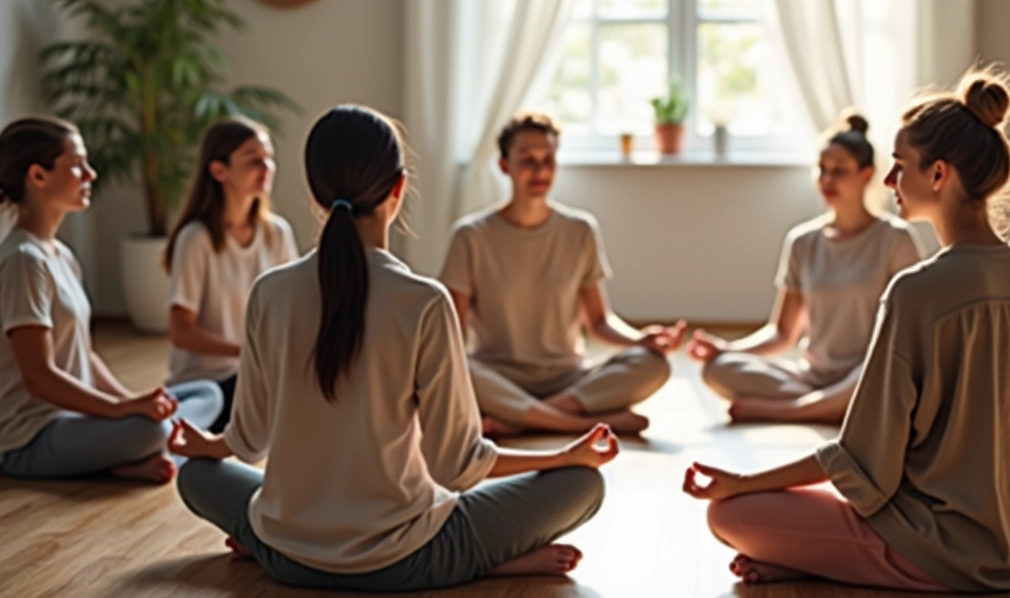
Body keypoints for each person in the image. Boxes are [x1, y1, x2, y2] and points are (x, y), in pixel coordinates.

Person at [169, 105, 619, 591]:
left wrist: (210, 446)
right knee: (583, 485)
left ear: (316, 194)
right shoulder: (423, 301)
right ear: (398, 189)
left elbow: (249, 438)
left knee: (195, 476)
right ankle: (477, 561)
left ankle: (261, 540)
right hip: (403, 558)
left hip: (286, 551)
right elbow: (458, 466)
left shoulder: (270, 292)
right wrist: (560, 459)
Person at [683, 68, 1010, 593]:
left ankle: (835, 560)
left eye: (898, 167)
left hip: (942, 551)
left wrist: (743, 481)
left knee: (730, 515)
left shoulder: (916, 290)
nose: (890, 182)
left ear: (938, 175)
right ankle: (821, 557)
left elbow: (864, 465)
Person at [0, 116, 221, 483]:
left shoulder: (61, 255)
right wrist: (123, 410)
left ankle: (128, 457)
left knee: (206, 392)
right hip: (32, 436)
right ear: (38, 176)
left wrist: (138, 403)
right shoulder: (23, 260)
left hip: (80, 421)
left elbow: (83, 355)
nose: (91, 174)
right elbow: (39, 378)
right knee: (150, 431)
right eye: (77, 166)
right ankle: (142, 451)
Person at [439, 111, 684, 436]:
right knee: (454, 368)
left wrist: (641, 339)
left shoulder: (580, 230)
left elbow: (598, 322)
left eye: (548, 159)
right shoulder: (470, 236)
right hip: (497, 377)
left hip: (568, 378)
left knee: (653, 364)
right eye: (527, 159)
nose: (539, 170)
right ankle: (578, 423)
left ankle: (523, 421)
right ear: (504, 165)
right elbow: (452, 334)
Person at [687, 112, 922, 423]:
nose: (827, 180)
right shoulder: (802, 241)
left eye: (839, 171)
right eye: (822, 170)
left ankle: (791, 411)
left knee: (887, 369)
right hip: (810, 377)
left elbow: (910, 335)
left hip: (867, 373)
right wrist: (727, 349)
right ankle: (832, 408)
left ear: (867, 174)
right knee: (717, 370)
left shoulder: (896, 239)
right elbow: (782, 333)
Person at [164, 116, 298, 433]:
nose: (266, 168)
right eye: (254, 160)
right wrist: (246, 350)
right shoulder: (197, 238)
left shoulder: (277, 233)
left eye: (269, 159)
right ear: (218, 170)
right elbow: (181, 331)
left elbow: (291, 308)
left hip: (255, 376)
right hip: (207, 383)